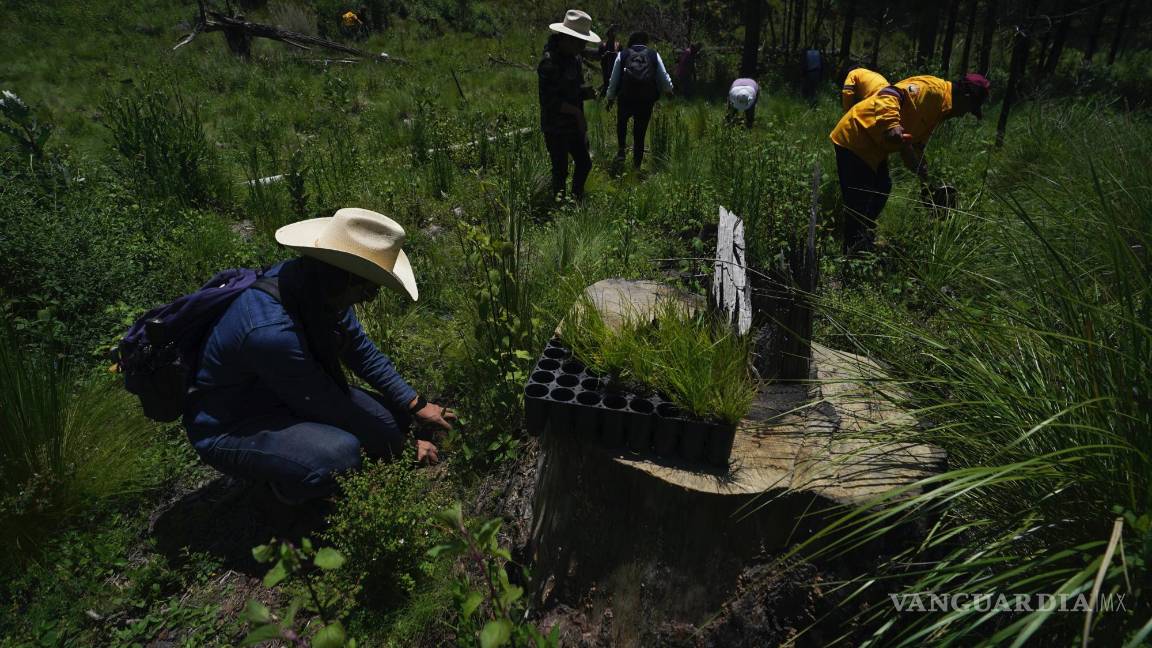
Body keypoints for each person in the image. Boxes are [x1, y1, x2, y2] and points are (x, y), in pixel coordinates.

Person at [184, 208, 456, 504]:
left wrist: (416, 404)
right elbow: (329, 404)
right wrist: (403, 448)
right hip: (232, 424)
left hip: (284, 394)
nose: (368, 299)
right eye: (370, 291)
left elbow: (361, 352)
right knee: (340, 454)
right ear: (347, 279)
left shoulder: (317, 288)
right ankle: (289, 488)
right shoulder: (270, 332)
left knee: (396, 418)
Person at [830, 73, 991, 255]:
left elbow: (912, 144)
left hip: (875, 149)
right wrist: (891, 125)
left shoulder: (939, 110)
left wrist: (922, 172)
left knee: (882, 188)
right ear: (965, 96)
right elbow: (889, 94)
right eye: (968, 109)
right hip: (856, 136)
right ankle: (852, 256)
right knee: (860, 202)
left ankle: (862, 243)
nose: (963, 115)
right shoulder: (931, 91)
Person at [538, 9, 601, 202]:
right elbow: (551, 101)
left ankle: (576, 200)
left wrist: (587, 93)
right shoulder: (549, 62)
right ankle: (558, 209)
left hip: (574, 125)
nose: (583, 46)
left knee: (584, 163)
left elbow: (573, 89)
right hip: (556, 126)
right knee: (560, 170)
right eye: (581, 41)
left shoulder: (574, 58)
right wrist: (577, 114)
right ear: (568, 39)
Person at [605, 31, 674, 170]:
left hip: (626, 98)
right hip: (645, 100)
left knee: (622, 124)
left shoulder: (623, 54)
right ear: (645, 41)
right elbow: (664, 77)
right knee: (640, 133)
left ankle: (621, 151)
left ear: (632, 40)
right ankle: (636, 166)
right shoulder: (653, 54)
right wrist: (669, 91)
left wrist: (610, 98)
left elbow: (614, 80)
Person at [597, 25, 621, 97]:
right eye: (611, 32)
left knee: (613, 82)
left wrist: (615, 54)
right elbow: (599, 57)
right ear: (608, 34)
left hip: (615, 66)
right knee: (606, 82)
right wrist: (605, 55)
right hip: (605, 66)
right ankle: (601, 98)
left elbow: (621, 56)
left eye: (614, 32)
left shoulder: (618, 45)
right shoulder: (602, 45)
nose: (613, 34)